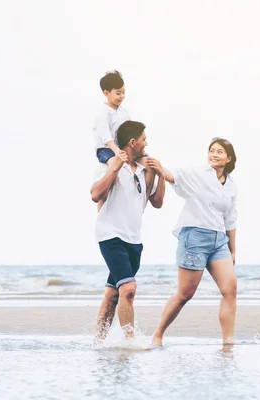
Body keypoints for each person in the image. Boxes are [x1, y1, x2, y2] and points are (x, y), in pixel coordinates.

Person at [146, 137, 238, 346]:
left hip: (218, 240)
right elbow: (173, 176)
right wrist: (160, 168)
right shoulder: (198, 174)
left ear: (229, 158)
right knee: (185, 294)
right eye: (212, 151)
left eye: (219, 152)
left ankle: (228, 340)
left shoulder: (232, 185)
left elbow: (231, 218)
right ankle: (158, 334)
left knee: (230, 288)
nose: (214, 154)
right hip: (194, 237)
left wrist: (233, 249)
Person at [90, 120, 166, 342]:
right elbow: (95, 194)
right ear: (133, 142)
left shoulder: (145, 170)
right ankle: (130, 341)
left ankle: (99, 341)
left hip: (133, 239)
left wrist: (161, 175)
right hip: (110, 235)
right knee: (129, 289)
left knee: (114, 294)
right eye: (144, 139)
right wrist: (114, 167)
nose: (146, 143)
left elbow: (157, 202)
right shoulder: (109, 165)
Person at [92, 70, 154, 210]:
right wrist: (117, 152)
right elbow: (105, 136)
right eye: (118, 93)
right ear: (106, 93)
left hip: (122, 149)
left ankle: (142, 200)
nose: (122, 96)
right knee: (115, 165)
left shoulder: (124, 112)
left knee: (148, 164)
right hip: (107, 150)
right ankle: (103, 207)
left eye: (123, 92)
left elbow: (129, 132)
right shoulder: (103, 113)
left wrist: (140, 150)